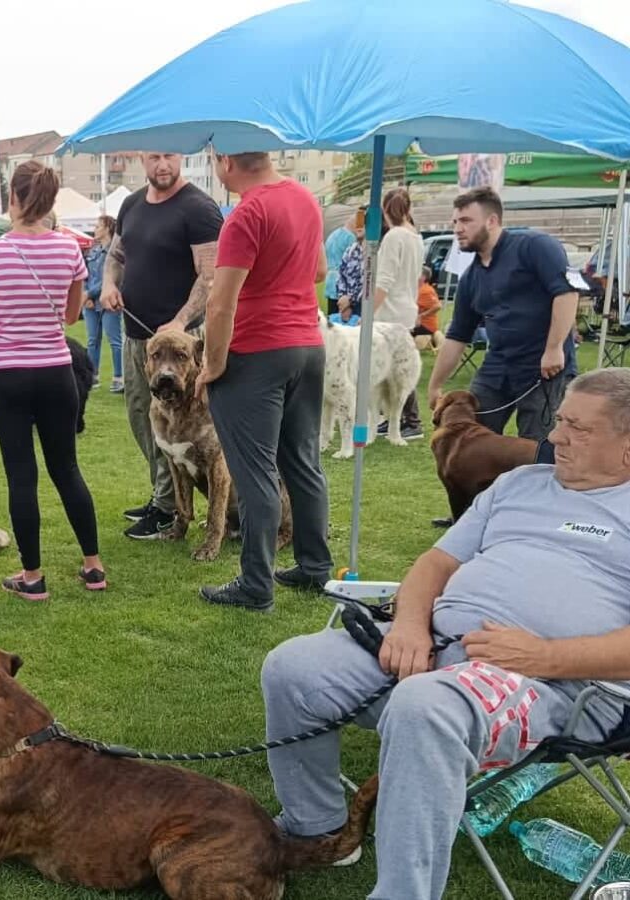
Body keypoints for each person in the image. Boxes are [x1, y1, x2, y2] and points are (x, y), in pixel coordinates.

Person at [260, 368, 630, 900]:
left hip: (556, 687)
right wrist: (410, 624)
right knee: (293, 667)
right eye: (558, 421)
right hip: (433, 649)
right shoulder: (518, 484)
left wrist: (545, 656)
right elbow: (435, 563)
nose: (553, 437)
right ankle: (317, 828)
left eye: (579, 428)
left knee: (423, 706)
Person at [0, 160, 105, 601]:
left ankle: (33, 576)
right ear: (51, 201)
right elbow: (72, 316)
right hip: (57, 371)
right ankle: (93, 567)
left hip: (7, 376)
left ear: (14, 198)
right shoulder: (69, 251)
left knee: (22, 476)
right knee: (67, 469)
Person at [196, 151, 333, 612]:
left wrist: (213, 365)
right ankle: (315, 566)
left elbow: (220, 304)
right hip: (307, 346)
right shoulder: (304, 199)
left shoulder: (246, 214)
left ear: (226, 160)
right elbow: (318, 272)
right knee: (303, 462)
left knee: (254, 475)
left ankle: (256, 584)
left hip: (256, 353)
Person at [100, 152, 223, 541]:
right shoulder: (131, 204)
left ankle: (168, 508)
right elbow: (116, 256)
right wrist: (108, 284)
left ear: (180, 158)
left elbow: (210, 275)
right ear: (142, 159)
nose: (162, 165)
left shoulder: (199, 208)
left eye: (169, 157)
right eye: (154, 158)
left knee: (183, 425)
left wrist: (181, 322)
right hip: (138, 337)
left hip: (183, 345)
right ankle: (162, 492)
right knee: (144, 417)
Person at [427, 187, 578, 441]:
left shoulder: (534, 246)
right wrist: (434, 385)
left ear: (492, 221)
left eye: (466, 221)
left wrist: (553, 349)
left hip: (543, 369)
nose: (457, 229)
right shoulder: (470, 278)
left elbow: (567, 293)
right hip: (497, 367)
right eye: (455, 221)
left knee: (538, 449)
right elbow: (456, 337)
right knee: (468, 440)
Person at [373, 187, 425, 440]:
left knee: (396, 369)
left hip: (391, 311)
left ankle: (411, 420)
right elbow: (416, 278)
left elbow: (385, 280)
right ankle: (395, 418)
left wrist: (368, 312)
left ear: (385, 210)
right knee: (396, 367)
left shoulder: (395, 237)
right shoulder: (415, 237)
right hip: (405, 307)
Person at [82, 214, 123, 393]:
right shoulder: (93, 251)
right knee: (92, 341)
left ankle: (119, 378)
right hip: (91, 304)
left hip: (109, 302)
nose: (95, 229)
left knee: (114, 340)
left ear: (107, 228)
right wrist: (87, 297)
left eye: (98, 225)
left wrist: (89, 293)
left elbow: (111, 278)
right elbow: (84, 275)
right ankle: (93, 376)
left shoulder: (115, 252)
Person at [335, 208, 367, 321]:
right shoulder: (351, 250)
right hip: (348, 306)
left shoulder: (376, 252)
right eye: (358, 222)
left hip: (365, 306)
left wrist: (350, 300)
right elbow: (341, 275)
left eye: (363, 223)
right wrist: (344, 301)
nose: (359, 227)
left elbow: (368, 281)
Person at [323, 216, 355, 317]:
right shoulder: (350, 238)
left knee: (332, 316)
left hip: (330, 280)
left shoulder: (333, 235)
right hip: (342, 282)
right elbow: (352, 263)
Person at [413, 265, 444, 350]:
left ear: (423, 277)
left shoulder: (426, 290)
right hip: (417, 323)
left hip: (425, 325)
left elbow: (438, 306)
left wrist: (422, 315)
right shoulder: (418, 289)